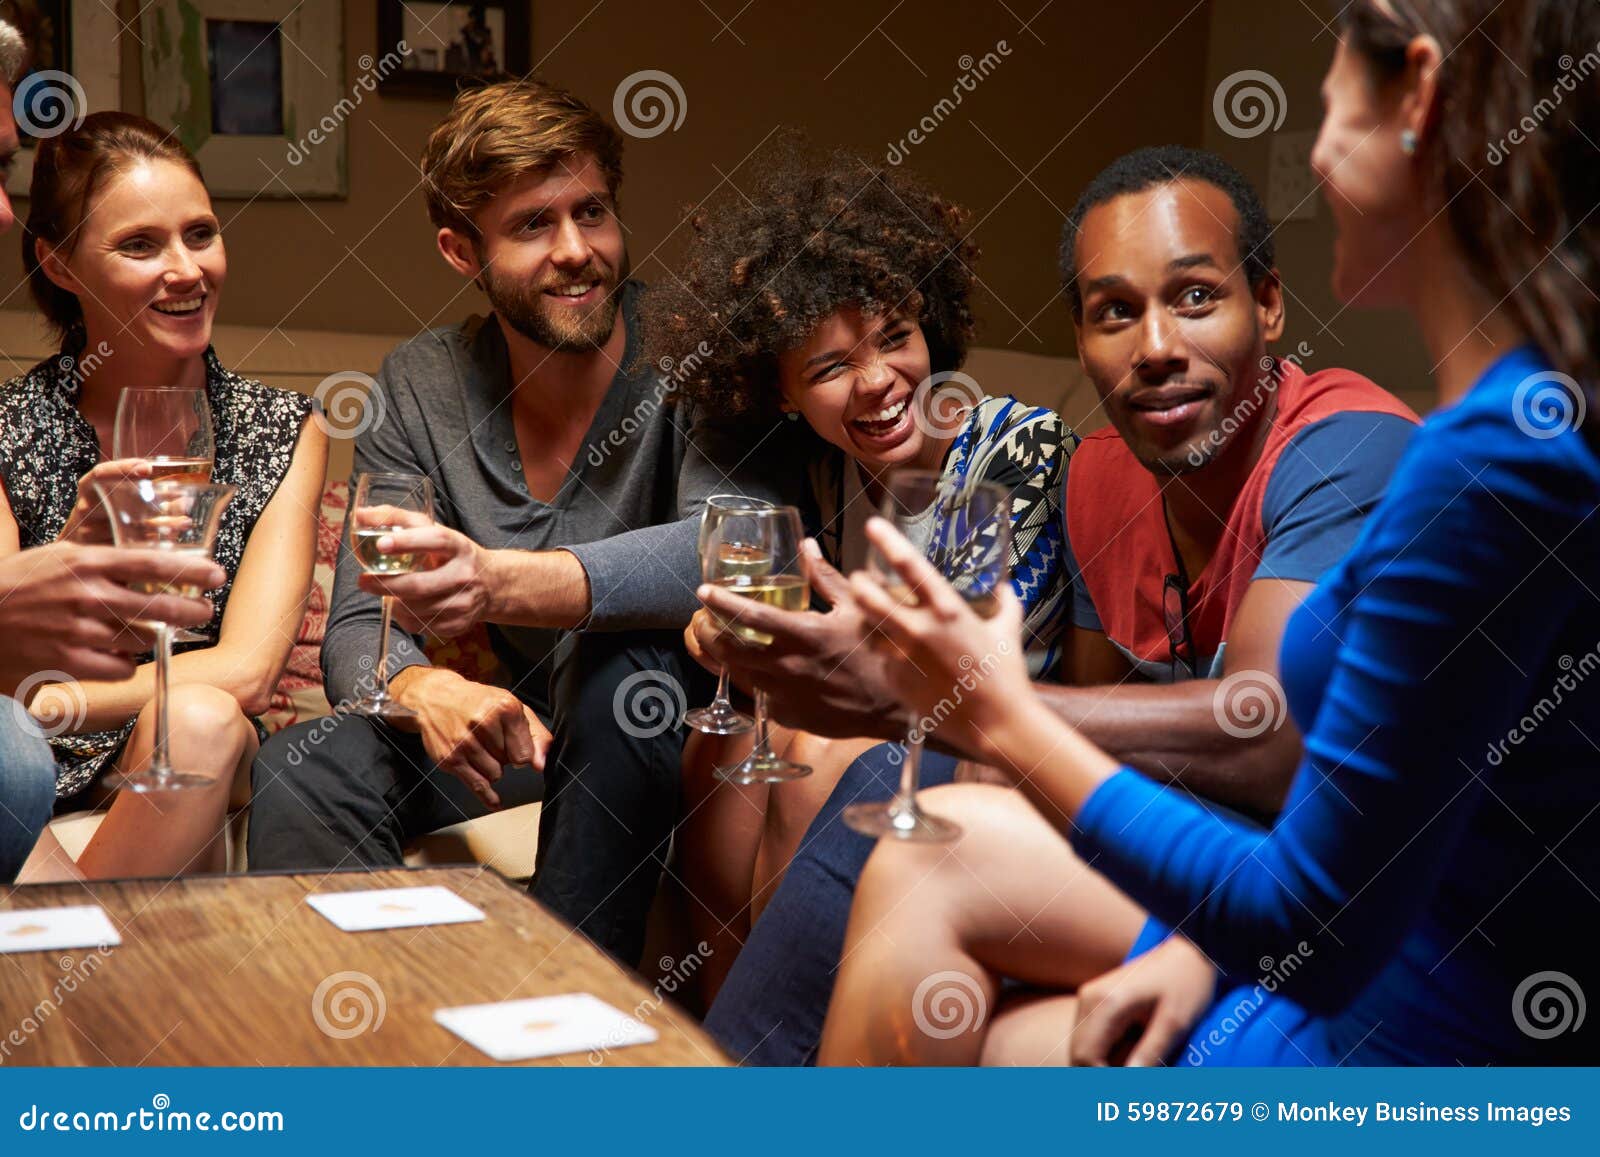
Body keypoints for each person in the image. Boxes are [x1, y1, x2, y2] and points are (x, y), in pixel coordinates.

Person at [824, 0, 1600, 1067]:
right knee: (982, 1032)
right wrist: (1195, 954)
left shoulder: (1490, 465)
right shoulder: (1505, 429)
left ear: (1415, 95)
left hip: (1415, 1053)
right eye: (1111, 312)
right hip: (1362, 960)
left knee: (958, 968)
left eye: (1329, 104)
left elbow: (1307, 926)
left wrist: (992, 706)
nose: (1316, 152)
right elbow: (1387, 827)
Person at [699, 146, 1418, 1063]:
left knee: (916, 814)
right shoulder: (1100, 480)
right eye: (1115, 312)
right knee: (893, 796)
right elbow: (1089, 732)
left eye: (1196, 296)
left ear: (1268, 303)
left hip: (1330, 875)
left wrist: (925, 701)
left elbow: (1266, 734)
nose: (1156, 347)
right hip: (1185, 844)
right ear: (1080, 339)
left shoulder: (1346, 450)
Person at [247, 80, 798, 965]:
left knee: (627, 665)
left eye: (593, 212)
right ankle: (357, 1037)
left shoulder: (699, 351)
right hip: (534, 741)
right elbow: (362, 621)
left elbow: (740, 542)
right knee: (308, 759)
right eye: (534, 225)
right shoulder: (423, 386)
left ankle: (556, 1025)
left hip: (677, 729)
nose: (578, 251)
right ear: (461, 251)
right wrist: (427, 688)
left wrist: (499, 579)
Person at [640, 137, 1071, 992]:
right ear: (783, 393)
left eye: (895, 338)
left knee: (806, 765)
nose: (877, 381)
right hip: (865, 707)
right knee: (713, 752)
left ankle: (779, 1049)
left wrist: (804, 654)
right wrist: (735, 639)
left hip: (984, 730)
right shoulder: (823, 473)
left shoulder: (1015, 446)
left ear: (932, 329)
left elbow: (942, 661)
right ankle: (724, 1026)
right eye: (831, 366)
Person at [0, 112, 326, 880]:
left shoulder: (281, 428)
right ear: (61, 265)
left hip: (183, 740)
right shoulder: (9, 428)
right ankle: (89, 969)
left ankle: (63, 963)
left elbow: (245, 673)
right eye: (141, 245)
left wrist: (57, 701)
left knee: (202, 717)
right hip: (26, 754)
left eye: (201, 234)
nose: (187, 269)